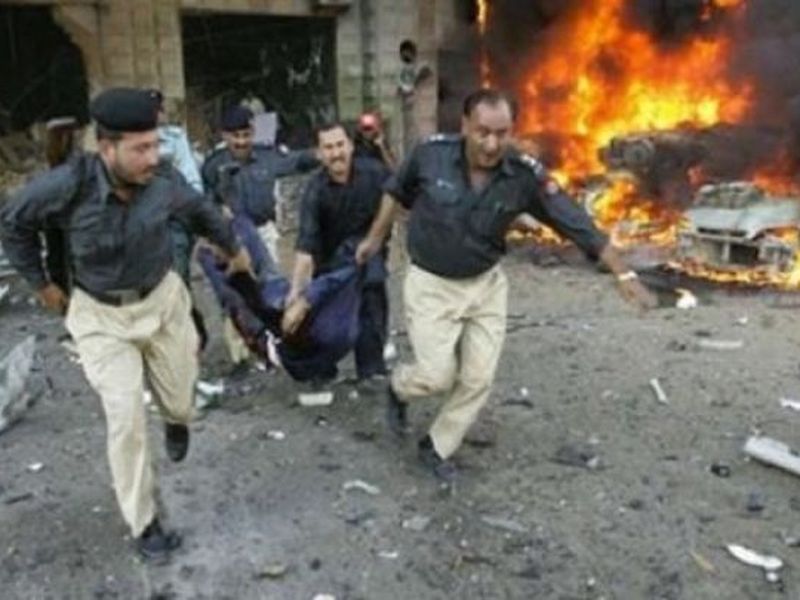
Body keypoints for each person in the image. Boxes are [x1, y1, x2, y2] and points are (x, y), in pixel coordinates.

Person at [0, 87, 251, 560]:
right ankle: (144, 523)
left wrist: (234, 250)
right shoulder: (68, 185)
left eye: (154, 145)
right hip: (100, 317)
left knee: (181, 400)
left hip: (162, 301)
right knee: (126, 418)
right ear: (106, 148)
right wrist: (42, 285)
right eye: (140, 149)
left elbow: (199, 210)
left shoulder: (163, 180)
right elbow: (12, 222)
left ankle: (176, 421)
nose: (152, 157)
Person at [356, 88, 657, 482]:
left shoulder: (523, 175)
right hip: (432, 284)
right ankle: (399, 389)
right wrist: (374, 238)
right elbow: (395, 191)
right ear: (465, 125)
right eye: (483, 132)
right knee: (435, 375)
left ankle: (437, 446)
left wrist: (624, 273)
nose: (492, 144)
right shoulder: (429, 154)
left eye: (502, 133)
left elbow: (573, 221)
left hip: (485, 286)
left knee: (478, 379)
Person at [202, 105, 319, 372]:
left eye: (246, 135)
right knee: (234, 296)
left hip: (264, 232)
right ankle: (241, 357)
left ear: (253, 133)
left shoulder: (268, 156)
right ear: (225, 136)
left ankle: (272, 347)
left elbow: (297, 162)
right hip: (230, 238)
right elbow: (204, 205)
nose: (241, 142)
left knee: (268, 291)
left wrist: (321, 154)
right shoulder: (213, 165)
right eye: (235, 136)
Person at [284, 122, 391, 385]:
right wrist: (297, 292)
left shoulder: (375, 173)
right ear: (319, 153)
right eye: (328, 148)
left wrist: (375, 237)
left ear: (351, 146)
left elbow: (397, 196)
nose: (336, 153)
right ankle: (321, 370)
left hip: (369, 256)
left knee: (372, 299)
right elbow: (306, 246)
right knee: (327, 326)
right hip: (330, 265)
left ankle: (372, 372)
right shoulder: (315, 190)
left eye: (340, 145)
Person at [198, 215, 363, 383]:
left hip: (277, 305)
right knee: (236, 271)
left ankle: (219, 236)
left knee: (238, 272)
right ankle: (219, 236)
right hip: (278, 307)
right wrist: (304, 299)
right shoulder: (331, 338)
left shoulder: (334, 337)